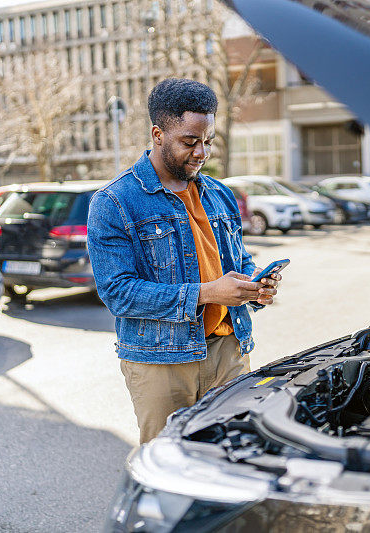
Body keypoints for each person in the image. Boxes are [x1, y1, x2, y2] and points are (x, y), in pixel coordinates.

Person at [87, 78, 280, 444]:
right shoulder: (114, 201)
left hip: (229, 350)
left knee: (237, 454)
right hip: (160, 361)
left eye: (207, 141)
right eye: (189, 142)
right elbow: (118, 293)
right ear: (158, 134)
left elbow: (237, 259)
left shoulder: (219, 194)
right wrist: (208, 293)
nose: (201, 152)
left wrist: (255, 284)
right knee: (168, 465)